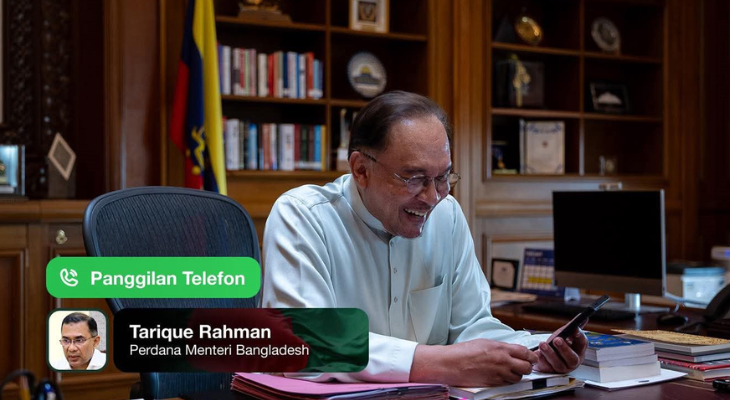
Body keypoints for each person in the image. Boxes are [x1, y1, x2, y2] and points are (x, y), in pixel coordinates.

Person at [262, 91, 587, 386]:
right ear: (361, 170)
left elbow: (471, 328)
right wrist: (439, 363)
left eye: (443, 177)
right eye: (415, 178)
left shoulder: (447, 215)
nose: (433, 197)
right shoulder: (303, 216)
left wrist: (535, 351)